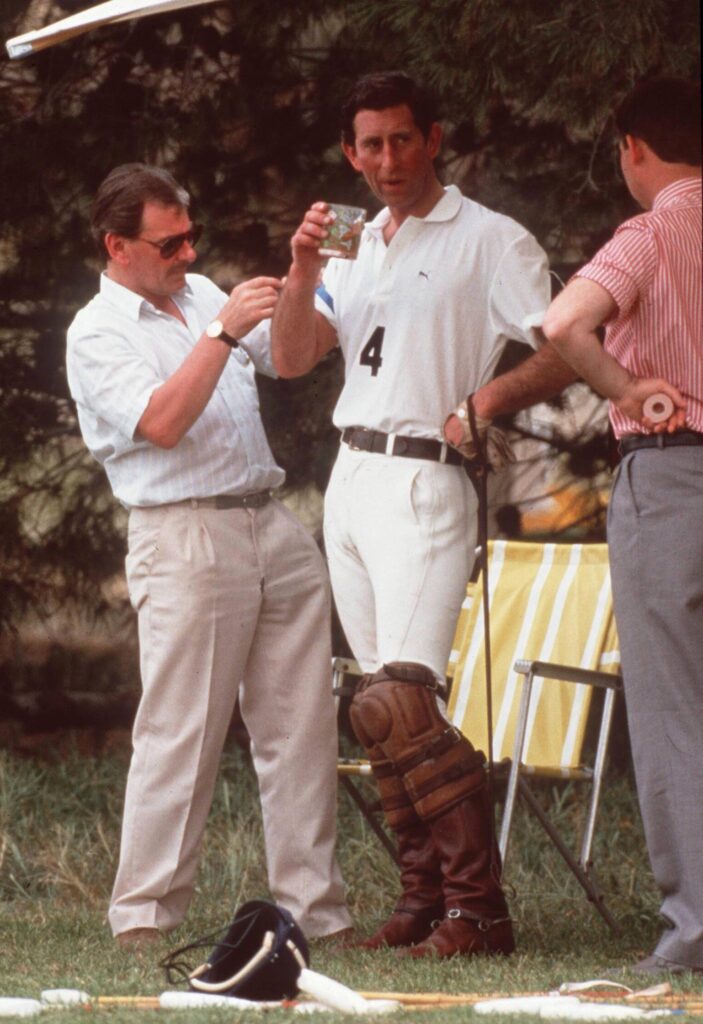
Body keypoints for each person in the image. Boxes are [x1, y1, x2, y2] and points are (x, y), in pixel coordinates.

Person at [271, 71, 574, 958]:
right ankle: (422, 896)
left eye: (403, 139)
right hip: (352, 474)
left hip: (428, 479)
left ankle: (479, 909)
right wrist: (299, 267)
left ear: (433, 138)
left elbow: (565, 344)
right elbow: (291, 358)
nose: (387, 159)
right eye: (369, 144)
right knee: (373, 708)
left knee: (404, 700)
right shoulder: (354, 242)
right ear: (348, 153)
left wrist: (483, 402)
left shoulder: (491, 238)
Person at [66, 163, 353, 949]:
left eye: (191, 236)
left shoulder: (197, 293)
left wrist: (301, 274)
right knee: (181, 730)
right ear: (117, 245)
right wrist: (222, 332)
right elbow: (161, 422)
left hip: (269, 520)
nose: (188, 254)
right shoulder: (97, 330)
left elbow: (293, 360)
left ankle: (315, 914)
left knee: (301, 730)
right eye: (169, 243)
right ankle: (144, 918)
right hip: (183, 533)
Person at [542, 76, 702, 975]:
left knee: (676, 707)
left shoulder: (648, 233)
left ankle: (695, 930)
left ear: (631, 148)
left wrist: (624, 387)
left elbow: (564, 323)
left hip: (674, 475)